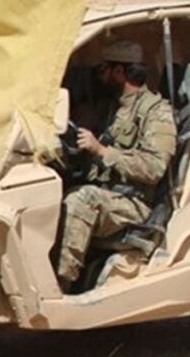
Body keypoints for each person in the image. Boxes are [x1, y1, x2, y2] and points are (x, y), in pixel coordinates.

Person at [57, 40, 177, 289]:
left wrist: (101, 151)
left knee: (80, 200)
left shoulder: (156, 112)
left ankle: (62, 283)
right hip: (109, 195)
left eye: (103, 69)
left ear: (119, 72)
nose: (99, 76)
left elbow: (154, 168)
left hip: (134, 202)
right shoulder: (113, 107)